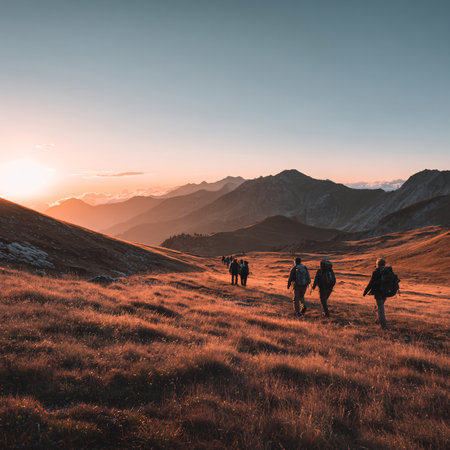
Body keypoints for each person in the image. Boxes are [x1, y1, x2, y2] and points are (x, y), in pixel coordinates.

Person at [363, 258, 398, 329]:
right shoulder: (388, 272)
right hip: (386, 292)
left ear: (377, 264)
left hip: (378, 293)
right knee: (379, 305)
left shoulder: (376, 272)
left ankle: (383, 325)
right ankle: (378, 320)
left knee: (380, 307)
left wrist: (365, 291)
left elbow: (371, 283)